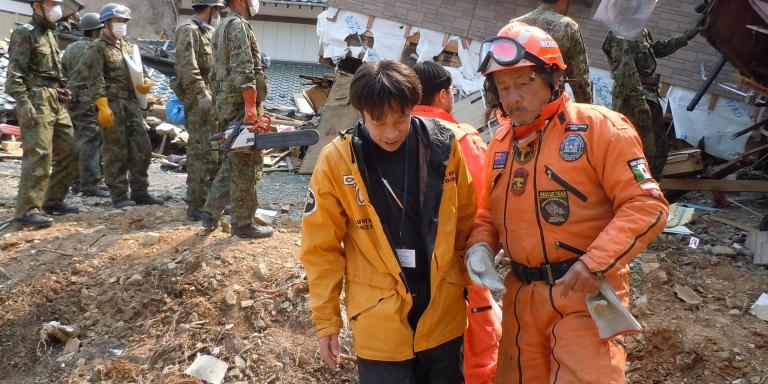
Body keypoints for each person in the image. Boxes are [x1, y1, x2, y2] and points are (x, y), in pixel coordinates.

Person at [467, 22, 669, 383]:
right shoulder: (499, 144)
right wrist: (481, 245)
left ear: (552, 78)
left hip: (584, 294)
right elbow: (488, 212)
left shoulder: (601, 129)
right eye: (504, 88)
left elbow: (645, 205)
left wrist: (594, 263)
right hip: (521, 298)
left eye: (524, 84)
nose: (513, 97)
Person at [300, 60, 477, 384]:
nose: (391, 132)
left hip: (443, 316)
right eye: (378, 122)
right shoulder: (337, 161)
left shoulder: (443, 147)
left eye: (401, 119)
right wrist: (327, 320)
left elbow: (466, 221)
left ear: (413, 107)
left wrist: (471, 288)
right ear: (361, 113)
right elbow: (320, 248)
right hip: (379, 323)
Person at [411, 61, 501, 384]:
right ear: (445, 95)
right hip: (459, 272)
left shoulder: (390, 137)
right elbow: (484, 209)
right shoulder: (464, 140)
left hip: (403, 277)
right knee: (477, 354)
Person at [200, 0, 272, 239]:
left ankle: (210, 213)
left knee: (233, 160)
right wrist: (251, 106)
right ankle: (243, 223)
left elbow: (214, 72)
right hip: (240, 103)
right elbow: (244, 68)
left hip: (227, 100)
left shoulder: (221, 26)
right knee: (246, 163)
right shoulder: (238, 25)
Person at [5, 0, 78, 228]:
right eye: (51, 4)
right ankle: (27, 210)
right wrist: (24, 102)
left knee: (71, 149)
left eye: (58, 3)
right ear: (37, 6)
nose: (57, 8)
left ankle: (53, 201)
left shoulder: (50, 33)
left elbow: (50, 72)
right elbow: (14, 76)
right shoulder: (24, 33)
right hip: (36, 99)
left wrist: (60, 89)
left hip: (54, 97)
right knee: (39, 154)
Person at [84, 3, 163, 208]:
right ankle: (119, 195)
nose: (121, 25)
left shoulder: (127, 46)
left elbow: (140, 72)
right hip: (112, 104)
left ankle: (140, 191)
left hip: (131, 103)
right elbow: (95, 78)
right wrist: (102, 105)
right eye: (118, 21)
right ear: (106, 23)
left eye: (124, 21)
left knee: (142, 148)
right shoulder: (97, 48)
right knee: (115, 150)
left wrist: (147, 84)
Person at [603, 19, 704, 177]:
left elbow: (658, 49)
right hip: (633, 99)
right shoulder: (621, 34)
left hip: (649, 96)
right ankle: (633, 188)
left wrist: (687, 36)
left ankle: (649, 186)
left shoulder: (640, 30)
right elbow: (624, 74)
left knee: (659, 147)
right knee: (639, 149)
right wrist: (639, 103)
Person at [173, 0, 224, 220]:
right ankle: (196, 204)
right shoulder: (189, 31)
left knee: (215, 152)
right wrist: (201, 92)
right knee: (201, 151)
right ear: (210, 8)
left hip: (214, 99)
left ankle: (211, 202)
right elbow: (187, 65)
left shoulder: (208, 33)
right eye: (219, 9)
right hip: (199, 100)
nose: (220, 14)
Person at [61, 12, 110, 198]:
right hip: (90, 97)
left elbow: (63, 71)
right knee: (91, 140)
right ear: (97, 31)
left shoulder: (71, 48)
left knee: (77, 140)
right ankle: (90, 186)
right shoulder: (98, 48)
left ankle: (77, 182)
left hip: (72, 97)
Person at [513, 0, 592, 103]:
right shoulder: (567, 26)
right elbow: (579, 77)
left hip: (516, 97)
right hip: (550, 100)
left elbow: (500, 63)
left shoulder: (516, 24)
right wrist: (586, 108)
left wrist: (492, 102)